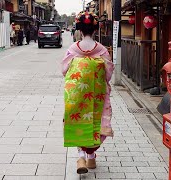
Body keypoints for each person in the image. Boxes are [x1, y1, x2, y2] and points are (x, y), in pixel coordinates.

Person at [61, 11, 114, 174]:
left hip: (77, 95)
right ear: (95, 29)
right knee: (97, 122)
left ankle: (82, 156)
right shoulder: (102, 50)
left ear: (79, 30)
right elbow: (109, 73)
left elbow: (64, 70)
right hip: (97, 95)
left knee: (78, 121)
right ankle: (91, 156)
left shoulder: (72, 49)